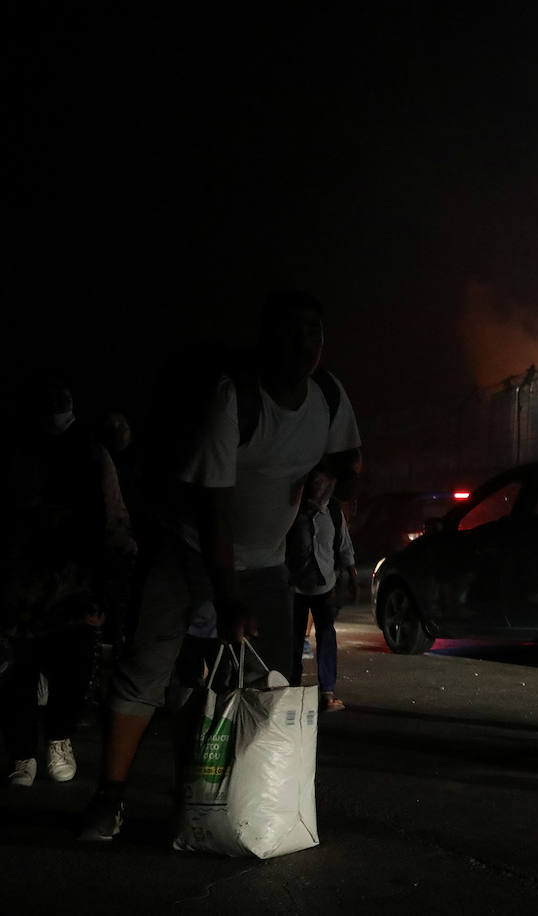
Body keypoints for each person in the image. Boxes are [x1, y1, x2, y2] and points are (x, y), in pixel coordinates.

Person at [81, 289, 362, 841]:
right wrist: (228, 597)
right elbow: (212, 509)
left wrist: (333, 475)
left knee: (270, 685)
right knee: (145, 671)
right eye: (294, 331)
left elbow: (350, 457)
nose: (307, 344)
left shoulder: (327, 396)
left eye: (316, 332)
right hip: (186, 550)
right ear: (266, 339)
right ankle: (108, 798)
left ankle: (247, 799)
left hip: (267, 564)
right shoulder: (233, 398)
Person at [1, 379, 136, 787]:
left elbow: (115, 517)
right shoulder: (15, 451)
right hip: (22, 584)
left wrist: (111, 583)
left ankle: (58, 737)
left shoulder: (93, 452)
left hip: (78, 583)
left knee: (73, 671)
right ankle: (23, 752)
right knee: (18, 673)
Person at [286, 465, 357, 711]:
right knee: (293, 640)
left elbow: (344, 547)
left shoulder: (334, 513)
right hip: (296, 587)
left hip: (325, 586)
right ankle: (291, 687)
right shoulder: (293, 512)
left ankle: (327, 692)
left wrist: (351, 579)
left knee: (326, 636)